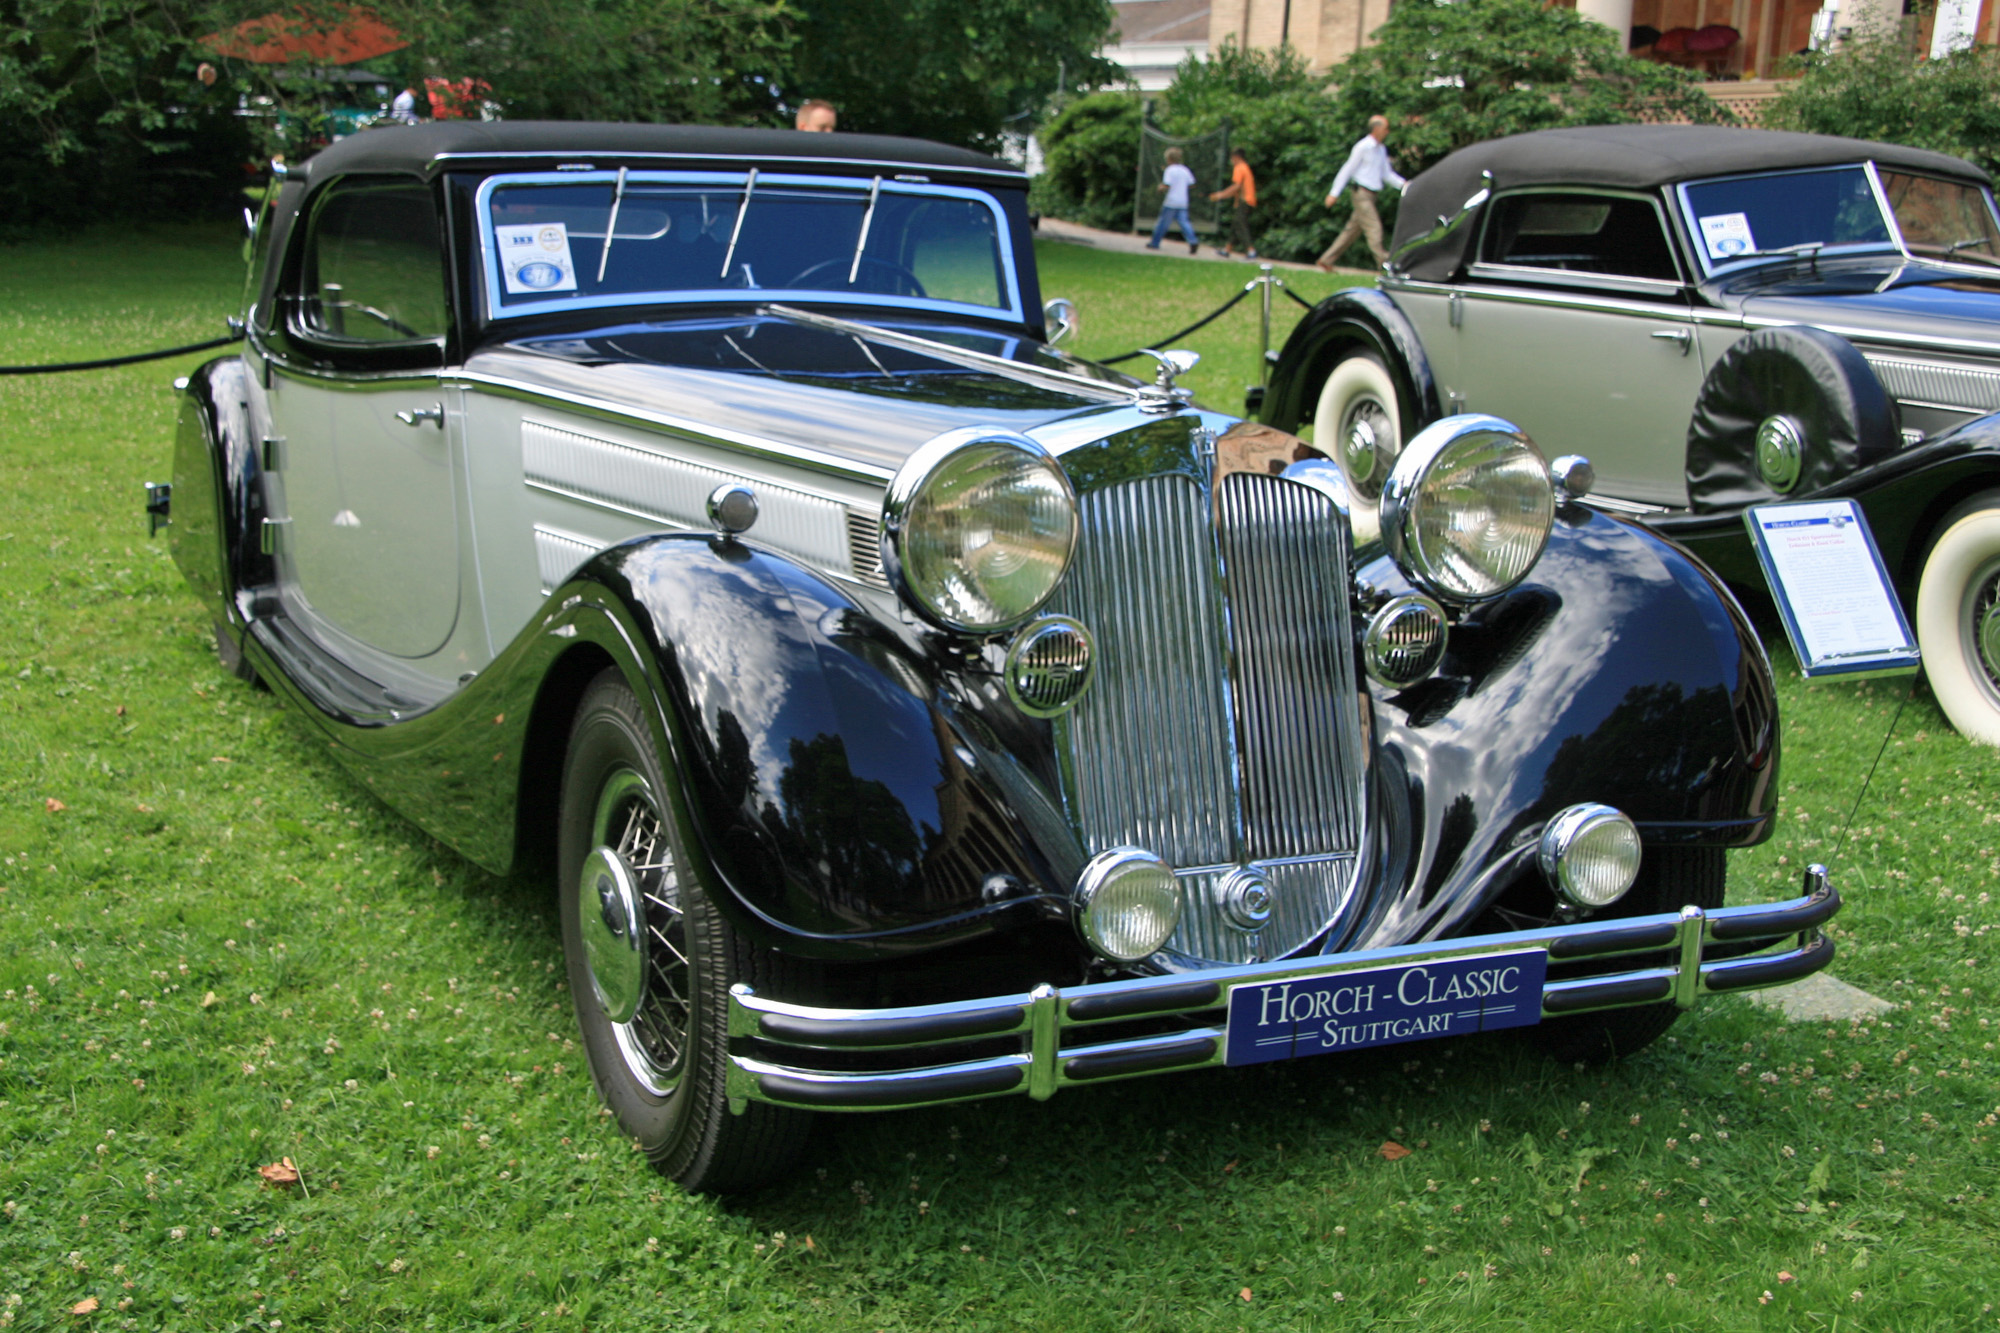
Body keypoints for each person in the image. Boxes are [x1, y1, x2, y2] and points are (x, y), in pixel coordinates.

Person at [1318, 115, 1406, 272]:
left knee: (1351, 232)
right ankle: (1384, 264)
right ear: (1376, 129)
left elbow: (1387, 174)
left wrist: (1405, 185)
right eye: (1385, 128)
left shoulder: (1380, 149)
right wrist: (1334, 193)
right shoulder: (1363, 147)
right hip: (1361, 194)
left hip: (1372, 195)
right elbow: (1348, 169)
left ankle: (1326, 260)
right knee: (1374, 228)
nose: (1387, 132)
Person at [1146, 148, 1199, 254]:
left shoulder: (1169, 170)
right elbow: (1192, 183)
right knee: (1184, 222)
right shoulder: (1185, 169)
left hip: (1171, 201)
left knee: (1162, 223)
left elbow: (1167, 184)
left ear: (1169, 159)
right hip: (1183, 201)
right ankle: (1193, 240)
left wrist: (1161, 188)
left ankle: (1155, 242)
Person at [1208, 147, 1258, 259]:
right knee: (1235, 225)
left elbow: (1236, 186)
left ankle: (1251, 250)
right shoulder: (1245, 167)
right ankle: (1227, 249)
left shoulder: (1239, 168)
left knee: (1240, 225)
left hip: (1245, 201)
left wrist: (1220, 195)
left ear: (1236, 157)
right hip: (1246, 201)